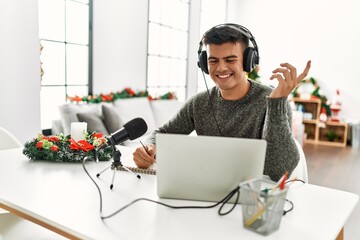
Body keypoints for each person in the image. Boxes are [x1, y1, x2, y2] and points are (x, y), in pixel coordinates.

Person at [133, 23, 311, 181]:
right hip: (210, 190)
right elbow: (162, 133)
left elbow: (279, 171)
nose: (221, 68)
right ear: (204, 63)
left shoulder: (272, 103)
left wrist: (277, 103)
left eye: (230, 59)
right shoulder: (198, 103)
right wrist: (150, 147)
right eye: (213, 61)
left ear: (248, 61)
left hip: (254, 198)